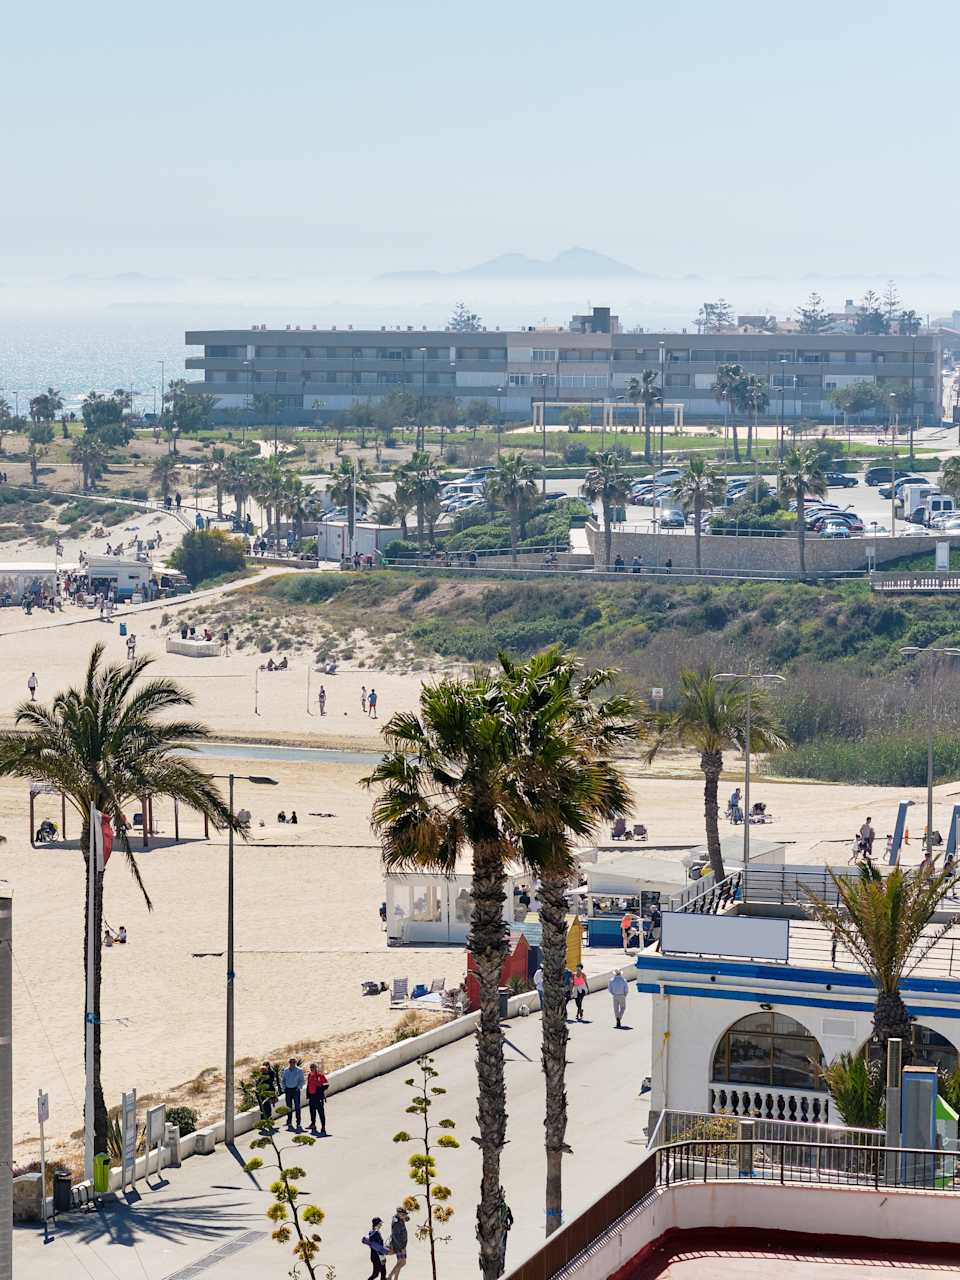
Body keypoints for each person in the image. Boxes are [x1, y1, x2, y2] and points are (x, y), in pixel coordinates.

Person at [281, 1057, 305, 1129]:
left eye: (293, 1062)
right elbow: (283, 1080)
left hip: (295, 1090)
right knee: (288, 1107)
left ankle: (298, 1123)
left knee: (297, 1107)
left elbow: (302, 1081)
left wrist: (298, 1088)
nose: (292, 1063)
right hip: (288, 1090)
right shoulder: (285, 1070)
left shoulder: (299, 1070)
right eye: (290, 1062)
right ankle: (289, 1122)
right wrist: (284, 1088)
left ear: (295, 1063)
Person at [387, 1207, 409, 1280]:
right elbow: (395, 1237)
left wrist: (405, 1218)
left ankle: (395, 1278)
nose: (404, 1216)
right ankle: (390, 1276)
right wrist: (401, 1248)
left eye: (404, 1214)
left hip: (402, 1245)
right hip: (399, 1246)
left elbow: (406, 1218)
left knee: (400, 1262)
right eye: (403, 1214)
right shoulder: (397, 1223)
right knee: (402, 1262)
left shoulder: (399, 1219)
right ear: (398, 1214)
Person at [306, 1062, 328, 1135]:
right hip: (312, 1097)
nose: (312, 1068)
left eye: (313, 1067)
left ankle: (323, 1126)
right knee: (312, 1112)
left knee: (321, 1112)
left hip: (318, 1097)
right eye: (311, 1067)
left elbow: (326, 1084)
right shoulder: (309, 1075)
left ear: (316, 1068)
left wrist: (320, 1090)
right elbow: (308, 1085)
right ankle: (313, 1124)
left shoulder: (320, 1075)